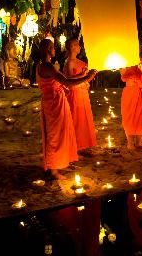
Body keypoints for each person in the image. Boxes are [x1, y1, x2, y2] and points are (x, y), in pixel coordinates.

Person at [36, 38, 97, 180]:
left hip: (56, 101)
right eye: (52, 47)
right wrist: (87, 76)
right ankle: (54, 170)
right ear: (48, 50)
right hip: (53, 103)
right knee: (55, 135)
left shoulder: (45, 66)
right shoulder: (47, 66)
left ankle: (59, 163)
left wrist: (84, 78)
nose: (55, 49)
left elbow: (60, 82)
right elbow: (67, 81)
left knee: (62, 133)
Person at [63, 38, 97, 152]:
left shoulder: (81, 62)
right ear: (72, 47)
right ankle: (74, 145)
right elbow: (67, 79)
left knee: (83, 118)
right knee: (76, 118)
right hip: (74, 92)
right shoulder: (70, 62)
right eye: (77, 45)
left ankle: (82, 144)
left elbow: (85, 80)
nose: (79, 46)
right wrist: (83, 75)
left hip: (83, 93)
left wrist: (91, 75)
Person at [120, 63, 142, 150]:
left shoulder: (141, 62)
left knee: (140, 115)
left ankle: (139, 140)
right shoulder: (124, 61)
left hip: (141, 91)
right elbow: (123, 76)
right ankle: (130, 142)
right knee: (129, 116)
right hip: (130, 92)